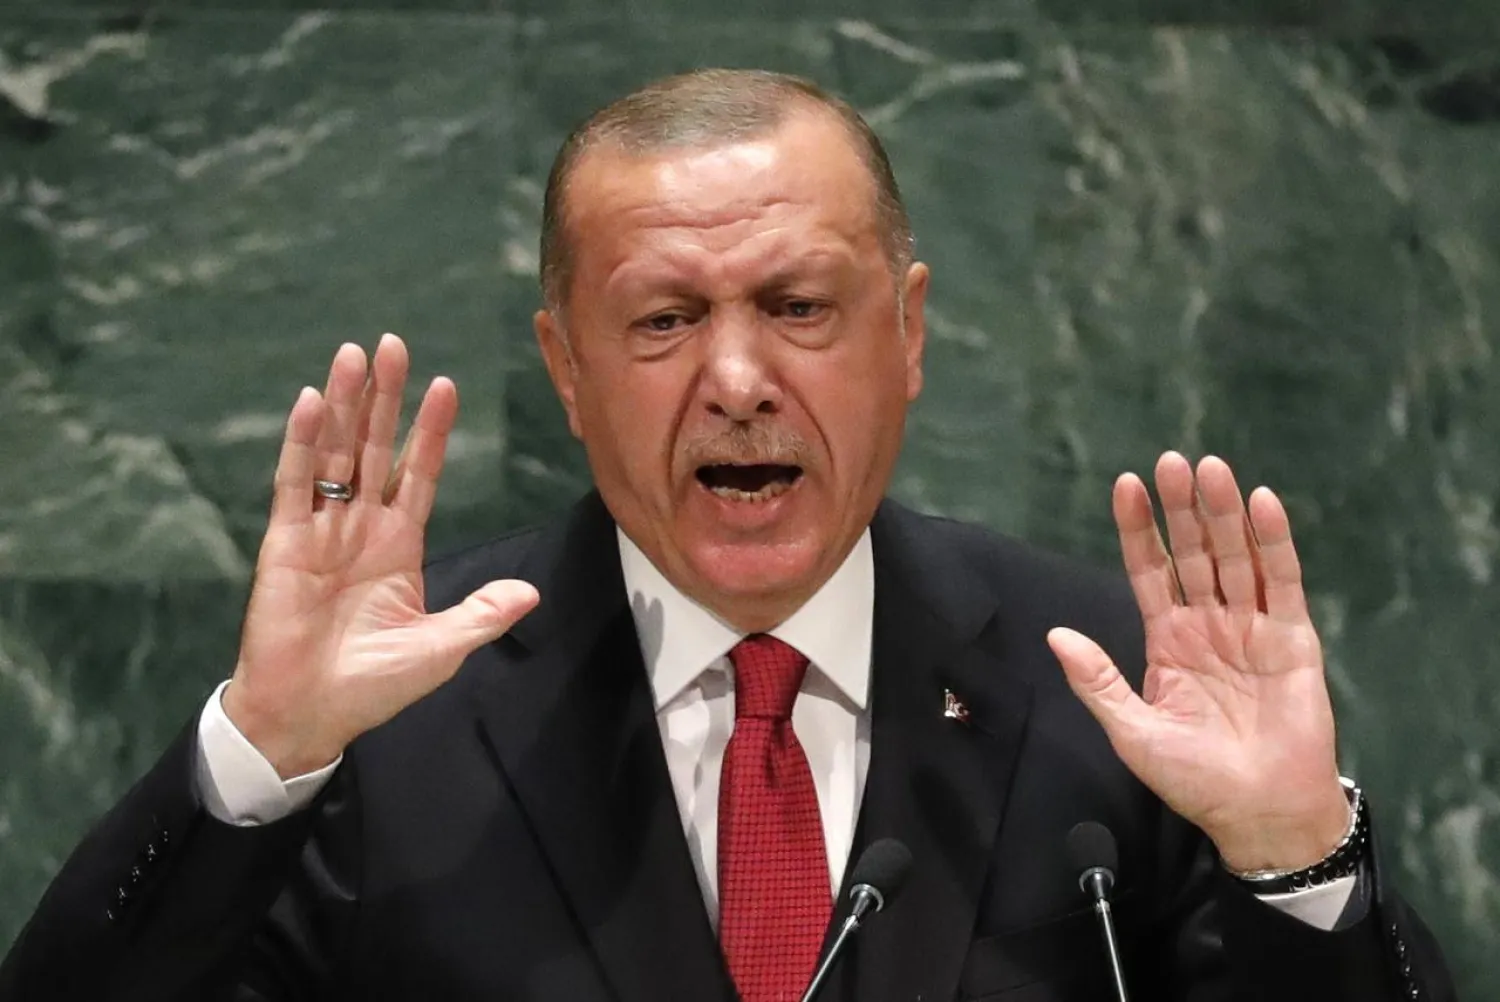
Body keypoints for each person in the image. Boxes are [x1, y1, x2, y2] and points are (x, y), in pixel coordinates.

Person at [0, 69, 1453, 1002]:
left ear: (911, 335)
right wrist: (257, 756)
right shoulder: (387, 717)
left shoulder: (1120, 696)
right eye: (664, 319)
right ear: (566, 366)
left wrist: (1293, 860)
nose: (739, 378)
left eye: (800, 308)